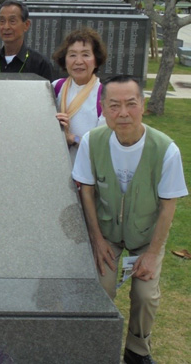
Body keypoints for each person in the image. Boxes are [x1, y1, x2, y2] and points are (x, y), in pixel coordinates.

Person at [72, 75, 188, 364]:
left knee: (145, 295)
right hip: (107, 232)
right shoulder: (92, 141)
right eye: (114, 105)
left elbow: (168, 206)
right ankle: (96, 344)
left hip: (146, 237)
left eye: (130, 104)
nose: (123, 113)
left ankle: (137, 350)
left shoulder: (166, 150)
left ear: (143, 105)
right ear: (103, 108)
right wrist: (97, 241)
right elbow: (86, 191)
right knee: (102, 287)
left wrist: (151, 253)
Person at [52, 27, 107, 163]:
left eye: (85, 55)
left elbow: (102, 147)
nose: (78, 61)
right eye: (72, 55)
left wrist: (71, 138)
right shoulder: (56, 87)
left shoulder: (104, 96)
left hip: (85, 173)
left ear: (96, 60)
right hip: (54, 166)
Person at [0, 0, 53, 81]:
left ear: (26, 25)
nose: (6, 27)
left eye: (12, 21)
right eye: (2, 21)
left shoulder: (40, 64)